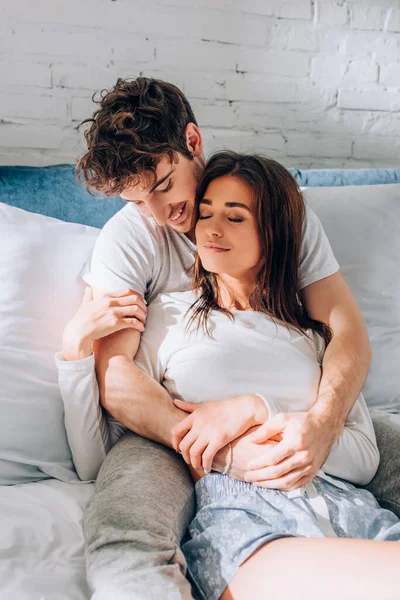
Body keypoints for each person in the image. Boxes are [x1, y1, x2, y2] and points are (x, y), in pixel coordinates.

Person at [61, 76, 400, 599]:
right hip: (170, 426)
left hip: (291, 408)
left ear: (192, 143)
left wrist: (319, 423)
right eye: (137, 201)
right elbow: (117, 378)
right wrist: (218, 448)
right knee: (126, 522)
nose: (160, 214)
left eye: (164, 186)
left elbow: (344, 333)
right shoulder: (130, 241)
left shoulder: (276, 211)